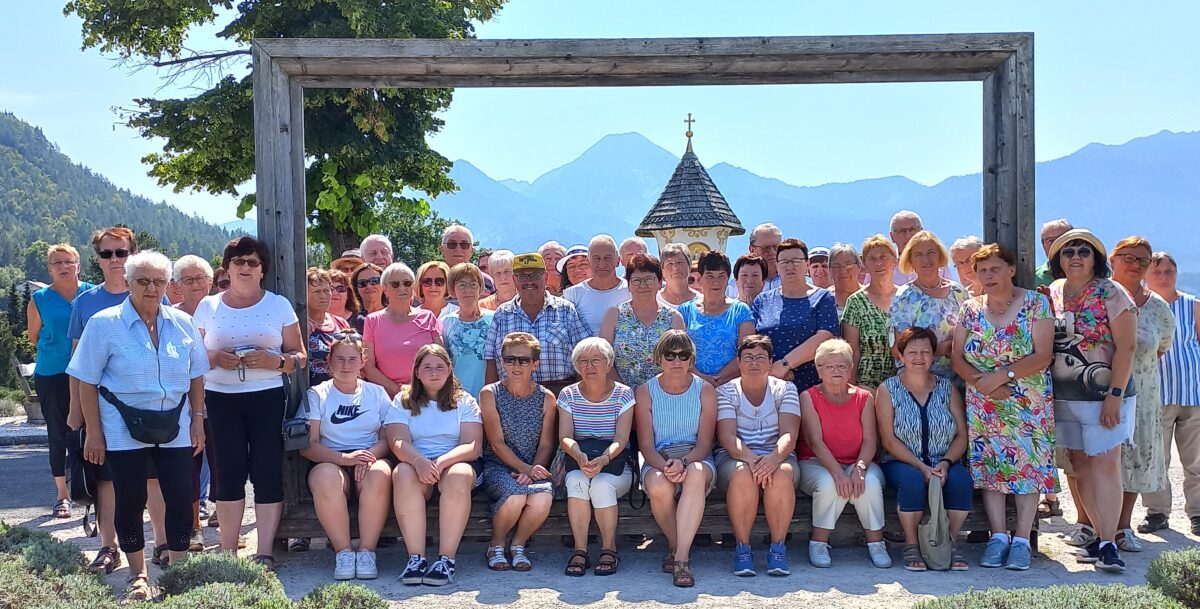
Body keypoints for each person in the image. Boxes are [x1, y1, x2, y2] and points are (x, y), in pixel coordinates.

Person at [67, 251, 208, 599]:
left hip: (175, 425)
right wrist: (94, 432)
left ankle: (175, 573)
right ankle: (138, 575)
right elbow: (86, 380)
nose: (151, 288)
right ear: (128, 283)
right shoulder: (103, 323)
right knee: (130, 500)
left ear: (167, 284)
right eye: (143, 281)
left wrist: (198, 420)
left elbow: (196, 377)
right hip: (119, 428)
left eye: (159, 281)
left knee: (179, 498)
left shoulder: (183, 323)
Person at [192, 236, 307, 569]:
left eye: (252, 262)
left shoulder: (278, 305)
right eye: (238, 261)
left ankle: (265, 551)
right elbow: (193, 357)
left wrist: (276, 362)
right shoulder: (208, 306)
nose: (245, 267)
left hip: (267, 396)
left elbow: (299, 355)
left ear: (262, 270)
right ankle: (228, 552)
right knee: (227, 474)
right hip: (220, 397)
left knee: (267, 472)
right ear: (227, 268)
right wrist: (214, 357)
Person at [67, 227, 170, 575]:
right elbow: (77, 363)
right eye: (106, 254)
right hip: (104, 411)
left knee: (154, 477)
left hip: (150, 412)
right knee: (107, 480)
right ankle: (108, 547)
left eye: (121, 253)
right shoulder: (86, 302)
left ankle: (162, 542)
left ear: (132, 255)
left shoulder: (156, 293)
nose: (114, 259)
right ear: (97, 260)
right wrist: (76, 413)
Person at [950, 243, 1056, 571]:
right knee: (992, 468)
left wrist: (1000, 376)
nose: (988, 275)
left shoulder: (1036, 303)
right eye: (982, 270)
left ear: (1011, 269)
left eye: (995, 269)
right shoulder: (970, 308)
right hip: (984, 402)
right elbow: (956, 356)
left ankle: (1022, 538)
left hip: (1027, 400)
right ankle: (998, 537)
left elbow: (1042, 355)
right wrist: (983, 383)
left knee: (1028, 467)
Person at [1045, 228, 1137, 573]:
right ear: (1058, 260)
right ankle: (1099, 536)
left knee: (1105, 465)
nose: (1075, 257)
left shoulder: (1113, 293)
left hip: (1105, 397)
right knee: (1080, 464)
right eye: (1068, 252)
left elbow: (1127, 347)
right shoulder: (1054, 292)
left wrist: (1115, 393)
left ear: (1095, 258)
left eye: (1083, 251)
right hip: (1066, 396)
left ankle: (1111, 544)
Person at [876, 327, 972, 572]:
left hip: (943, 459)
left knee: (961, 481)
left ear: (933, 356)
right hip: (902, 462)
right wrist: (920, 467)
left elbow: (962, 434)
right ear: (901, 355)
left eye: (925, 352)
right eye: (912, 352)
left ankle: (946, 541)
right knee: (912, 481)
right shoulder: (888, 389)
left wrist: (947, 463)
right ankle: (911, 544)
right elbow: (888, 440)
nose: (919, 357)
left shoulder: (946, 388)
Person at [301, 333, 394, 581]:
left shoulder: (377, 393)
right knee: (324, 478)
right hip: (332, 460)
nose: (345, 366)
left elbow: (389, 438)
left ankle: (366, 552)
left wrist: (367, 457)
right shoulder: (317, 394)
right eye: (339, 359)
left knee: (381, 474)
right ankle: (343, 552)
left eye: (352, 359)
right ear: (329, 361)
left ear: (363, 361)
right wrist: (345, 459)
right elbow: (308, 445)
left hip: (369, 459)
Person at [389, 344, 483, 587]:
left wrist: (440, 463)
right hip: (415, 461)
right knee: (401, 472)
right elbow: (397, 440)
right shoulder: (403, 400)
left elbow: (472, 445)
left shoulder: (465, 401)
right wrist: (419, 461)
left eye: (440, 367)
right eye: (427, 367)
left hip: (453, 463)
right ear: (417, 372)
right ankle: (416, 559)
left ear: (450, 369)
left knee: (459, 475)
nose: (434, 372)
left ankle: (445, 560)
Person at [797, 339, 889, 569]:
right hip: (816, 461)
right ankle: (818, 542)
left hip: (859, 459)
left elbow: (870, 439)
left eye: (842, 366)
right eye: (829, 366)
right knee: (830, 485)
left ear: (850, 369)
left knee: (867, 483)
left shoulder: (864, 397)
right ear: (818, 369)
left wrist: (859, 468)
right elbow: (814, 441)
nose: (836, 371)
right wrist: (838, 473)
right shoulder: (808, 397)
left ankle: (876, 544)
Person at [635, 331, 717, 587]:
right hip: (659, 457)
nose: (676, 360)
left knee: (694, 475)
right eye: (669, 355)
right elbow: (646, 445)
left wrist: (685, 462)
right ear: (659, 358)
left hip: (695, 456)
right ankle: (676, 543)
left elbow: (705, 443)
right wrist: (666, 465)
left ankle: (681, 558)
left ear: (691, 358)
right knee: (659, 483)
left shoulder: (705, 390)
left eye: (683, 355)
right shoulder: (645, 391)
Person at [715, 335, 801, 577]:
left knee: (782, 473)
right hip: (736, 458)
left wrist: (773, 459)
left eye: (761, 357)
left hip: (778, 456)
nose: (754, 362)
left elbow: (789, 434)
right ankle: (743, 548)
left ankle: (777, 549)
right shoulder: (725, 391)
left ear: (770, 361)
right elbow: (727, 437)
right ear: (739, 363)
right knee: (743, 474)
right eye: (748, 358)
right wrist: (754, 461)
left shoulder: (786, 389)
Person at [1109, 237, 1175, 551]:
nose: (1134, 265)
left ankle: (1122, 527)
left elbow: (1160, 348)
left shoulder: (1159, 308)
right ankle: (1091, 525)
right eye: (1128, 258)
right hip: (1096, 391)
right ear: (1112, 259)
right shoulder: (1099, 296)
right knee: (1089, 461)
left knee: (1133, 461)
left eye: (1142, 260)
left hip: (1143, 396)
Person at [478, 333, 557, 572]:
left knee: (543, 495)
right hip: (497, 466)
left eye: (524, 360)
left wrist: (532, 471)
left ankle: (519, 544)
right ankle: (496, 544)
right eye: (510, 359)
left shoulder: (546, 398)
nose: (516, 365)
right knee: (515, 496)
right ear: (502, 361)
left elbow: (545, 445)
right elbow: (496, 443)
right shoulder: (489, 393)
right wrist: (525, 470)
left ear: (535, 364)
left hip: (532, 466)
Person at [558, 338, 635, 577]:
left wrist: (603, 459)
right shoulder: (568, 394)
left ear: (609, 364)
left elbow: (621, 439)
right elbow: (565, 437)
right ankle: (580, 550)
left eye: (595, 361)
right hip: (579, 458)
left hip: (615, 462)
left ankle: (608, 548)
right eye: (583, 361)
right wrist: (579, 456)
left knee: (601, 485)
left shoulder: (623, 394)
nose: (589, 366)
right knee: (577, 482)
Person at [27, 243, 93, 519]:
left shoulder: (92, 294)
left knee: (94, 431)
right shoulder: (40, 299)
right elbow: (33, 336)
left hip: (90, 373)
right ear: (49, 268)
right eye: (57, 263)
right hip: (53, 374)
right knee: (58, 434)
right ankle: (62, 496)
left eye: (69, 261)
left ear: (78, 264)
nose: (63, 267)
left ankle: (94, 489)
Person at [1141, 251, 1200, 536]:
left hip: (1193, 393)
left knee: (1196, 460)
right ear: (1147, 275)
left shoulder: (1194, 305)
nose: (1163, 277)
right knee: (1156, 459)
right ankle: (1157, 512)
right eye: (1157, 271)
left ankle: (1198, 512)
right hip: (1156, 395)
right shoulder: (1143, 306)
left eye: (1168, 271)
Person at [484, 253, 590, 395]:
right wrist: (491, 401)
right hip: (513, 398)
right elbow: (491, 362)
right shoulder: (501, 314)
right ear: (515, 280)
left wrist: (581, 399)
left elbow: (583, 354)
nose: (529, 281)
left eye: (535, 275)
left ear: (545, 277)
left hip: (561, 394)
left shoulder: (566, 310)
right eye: (523, 276)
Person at [752, 238, 839, 393]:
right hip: (770, 385)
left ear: (806, 265)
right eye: (784, 261)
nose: (790, 266)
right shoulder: (762, 300)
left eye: (795, 261)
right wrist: (772, 370)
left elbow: (826, 336)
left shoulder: (823, 298)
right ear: (777, 266)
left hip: (812, 387)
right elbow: (753, 340)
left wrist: (785, 365)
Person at [172, 254, 215, 549]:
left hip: (225, 397)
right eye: (187, 279)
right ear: (176, 286)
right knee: (189, 466)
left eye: (200, 278)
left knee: (223, 463)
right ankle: (192, 527)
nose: (195, 284)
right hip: (185, 404)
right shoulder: (169, 319)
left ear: (210, 282)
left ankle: (226, 524)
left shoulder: (225, 310)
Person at [889, 230, 968, 382]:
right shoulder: (904, 296)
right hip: (919, 382)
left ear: (940, 256)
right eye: (919, 255)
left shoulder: (958, 292)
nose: (926, 259)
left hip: (959, 378)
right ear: (910, 261)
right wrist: (943, 348)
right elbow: (898, 349)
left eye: (931, 252)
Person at [600, 254, 685, 390]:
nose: (643, 285)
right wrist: (624, 394)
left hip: (664, 394)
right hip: (621, 396)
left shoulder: (674, 318)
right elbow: (603, 359)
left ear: (659, 282)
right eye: (636, 280)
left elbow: (681, 361)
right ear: (628, 284)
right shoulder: (614, 315)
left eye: (649, 279)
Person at [363, 262, 444, 398]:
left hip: (427, 394)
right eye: (395, 284)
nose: (402, 288)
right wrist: (398, 390)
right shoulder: (372, 321)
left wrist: (420, 389)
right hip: (388, 397)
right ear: (385, 289)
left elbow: (441, 358)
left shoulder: (428, 317)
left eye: (407, 283)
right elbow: (368, 367)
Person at [680, 250, 755, 386]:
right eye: (709, 276)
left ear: (728, 279)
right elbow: (678, 350)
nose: (716, 281)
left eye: (721, 276)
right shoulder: (685, 311)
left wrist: (718, 380)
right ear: (701, 278)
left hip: (731, 386)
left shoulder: (741, 311)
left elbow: (747, 352)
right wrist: (701, 379)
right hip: (691, 385)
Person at [841, 236, 898, 390]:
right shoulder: (855, 302)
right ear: (864, 265)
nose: (879, 263)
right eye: (872, 259)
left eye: (883, 257)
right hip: (867, 386)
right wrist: (852, 389)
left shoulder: (905, 297)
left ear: (895, 260)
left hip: (903, 385)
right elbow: (852, 352)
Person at [442, 263, 495, 398]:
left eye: (473, 284)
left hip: (490, 395)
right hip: (457, 396)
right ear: (453, 290)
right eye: (462, 285)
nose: (468, 290)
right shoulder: (445, 323)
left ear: (480, 288)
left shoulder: (495, 319)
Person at [564, 235, 630, 336]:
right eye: (596, 259)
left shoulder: (631, 290)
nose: (602, 264)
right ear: (589, 262)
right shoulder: (572, 295)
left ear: (617, 261)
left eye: (607, 258)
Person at [307, 268, 351, 386]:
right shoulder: (297, 324)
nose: (323, 296)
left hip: (337, 390)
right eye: (317, 291)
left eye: (327, 290)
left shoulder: (341, 324)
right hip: (307, 393)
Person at [889, 210, 948, 284]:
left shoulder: (937, 262)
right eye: (901, 231)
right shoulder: (885, 266)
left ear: (922, 233)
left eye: (912, 229)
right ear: (892, 236)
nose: (908, 235)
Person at [658, 243, 700, 309]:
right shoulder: (654, 301)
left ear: (689, 266)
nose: (675, 267)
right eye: (670, 263)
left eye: (679, 262)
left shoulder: (702, 301)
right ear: (662, 270)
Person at [1035, 219, 1073, 288]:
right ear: (1043, 245)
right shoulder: (1032, 278)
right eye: (1051, 240)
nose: (1057, 243)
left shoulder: (1090, 274)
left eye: (1062, 238)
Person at [828, 244, 863, 315]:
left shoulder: (872, 296)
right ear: (829, 269)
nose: (843, 270)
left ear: (859, 266)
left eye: (848, 265)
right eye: (837, 266)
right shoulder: (823, 300)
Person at [747, 223, 783, 291]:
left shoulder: (796, 279)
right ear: (752, 250)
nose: (772, 252)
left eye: (776, 247)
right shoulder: (738, 285)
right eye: (765, 248)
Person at [348, 263, 384, 332]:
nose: (369, 286)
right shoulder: (351, 320)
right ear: (356, 288)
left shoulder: (397, 314)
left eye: (374, 281)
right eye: (362, 283)